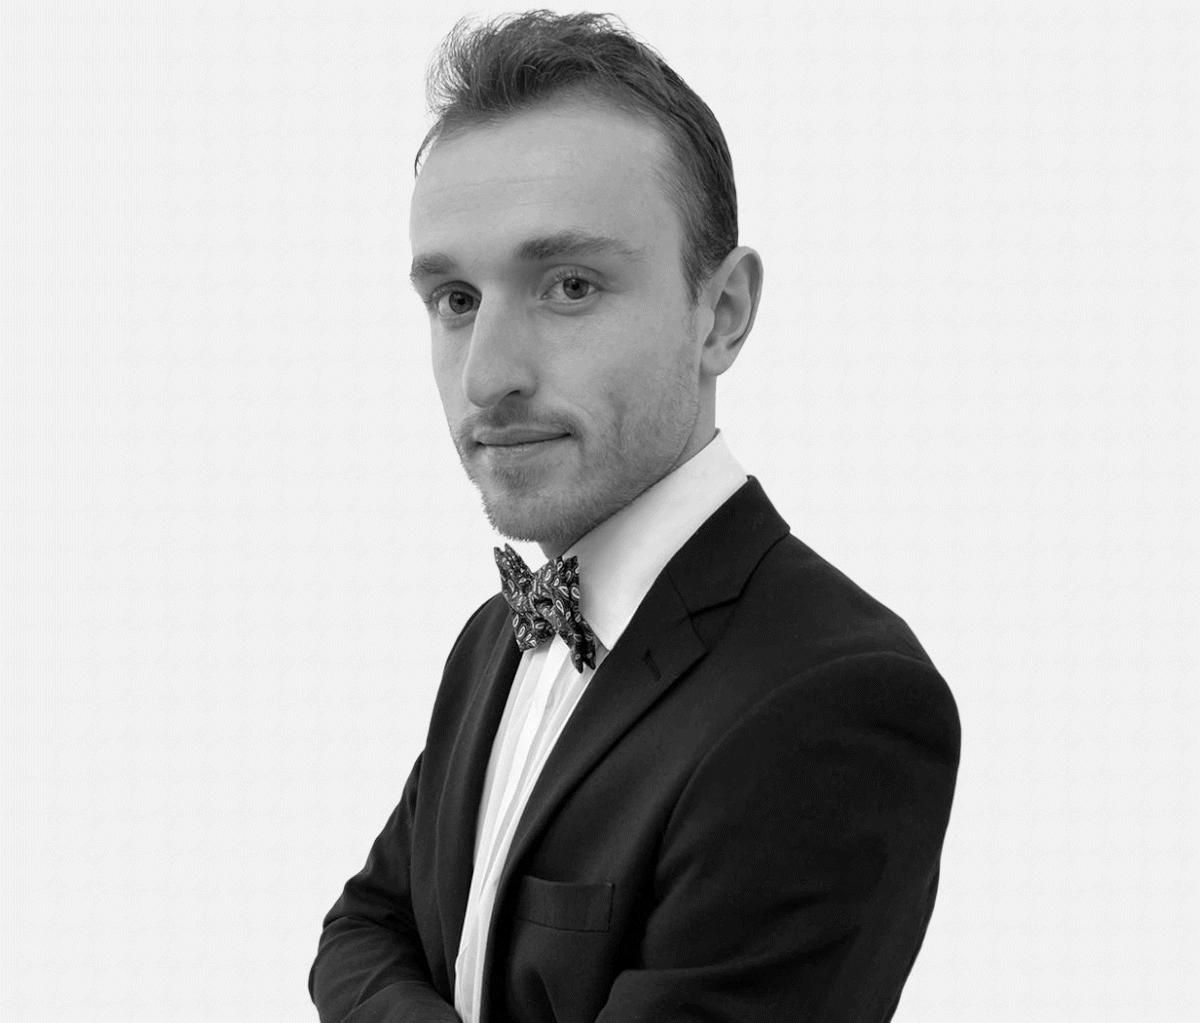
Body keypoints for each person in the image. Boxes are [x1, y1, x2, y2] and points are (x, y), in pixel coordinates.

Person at [309, 11, 960, 1023]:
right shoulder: (494, 639)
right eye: (455, 299)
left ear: (722, 313)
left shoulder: (838, 699)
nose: (486, 377)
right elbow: (361, 930)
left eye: (569, 286)